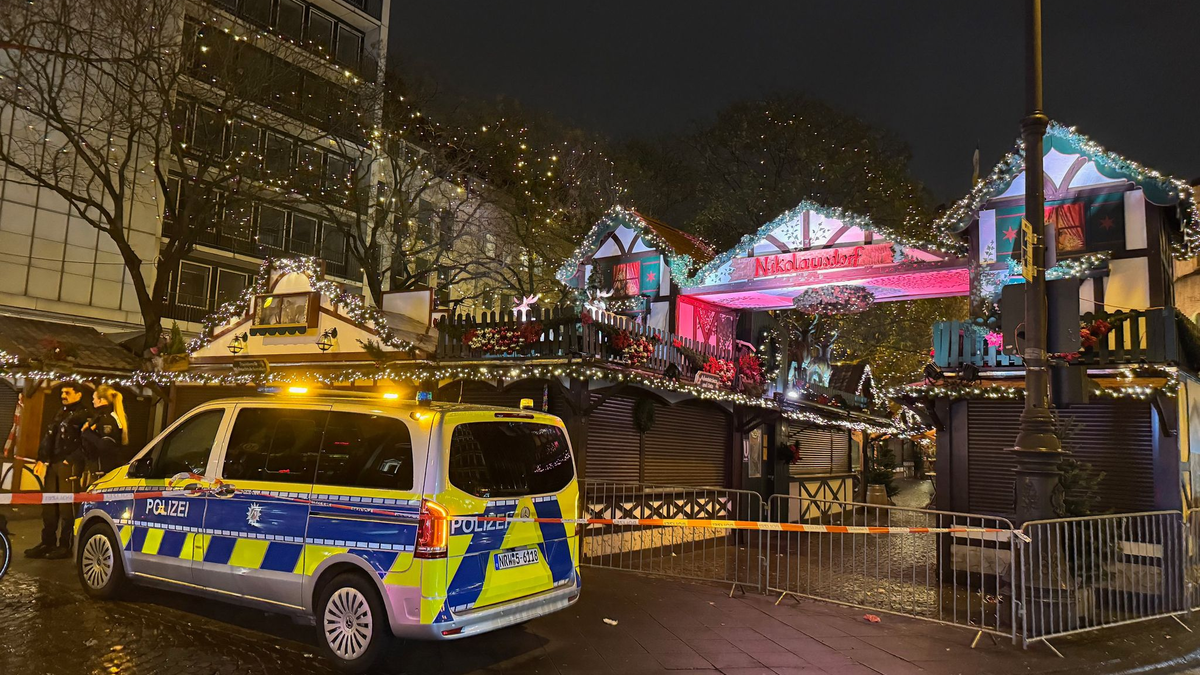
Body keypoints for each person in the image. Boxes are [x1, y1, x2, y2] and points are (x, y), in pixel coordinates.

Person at [25, 382, 92, 560]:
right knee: (49, 505)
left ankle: (65, 545)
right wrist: (42, 458)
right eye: (62, 392)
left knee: (66, 507)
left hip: (69, 465)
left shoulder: (84, 415)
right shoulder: (61, 412)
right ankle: (47, 542)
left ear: (78, 395)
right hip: (54, 464)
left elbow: (87, 442)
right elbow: (50, 437)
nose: (63, 395)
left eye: (67, 392)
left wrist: (70, 459)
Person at [81, 384, 128, 484]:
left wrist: (86, 432)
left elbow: (106, 445)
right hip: (98, 467)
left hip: (102, 469)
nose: (92, 401)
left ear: (101, 400)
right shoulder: (103, 416)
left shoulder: (107, 419)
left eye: (94, 398)